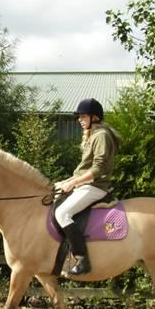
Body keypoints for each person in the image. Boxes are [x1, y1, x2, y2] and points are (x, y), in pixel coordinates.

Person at [54, 98, 119, 276]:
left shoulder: (102, 136)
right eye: (79, 117)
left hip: (95, 187)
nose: (79, 120)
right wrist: (66, 181)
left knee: (62, 213)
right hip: (85, 185)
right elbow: (83, 168)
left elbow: (99, 168)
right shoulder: (93, 135)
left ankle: (82, 259)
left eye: (83, 116)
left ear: (94, 117)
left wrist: (73, 183)